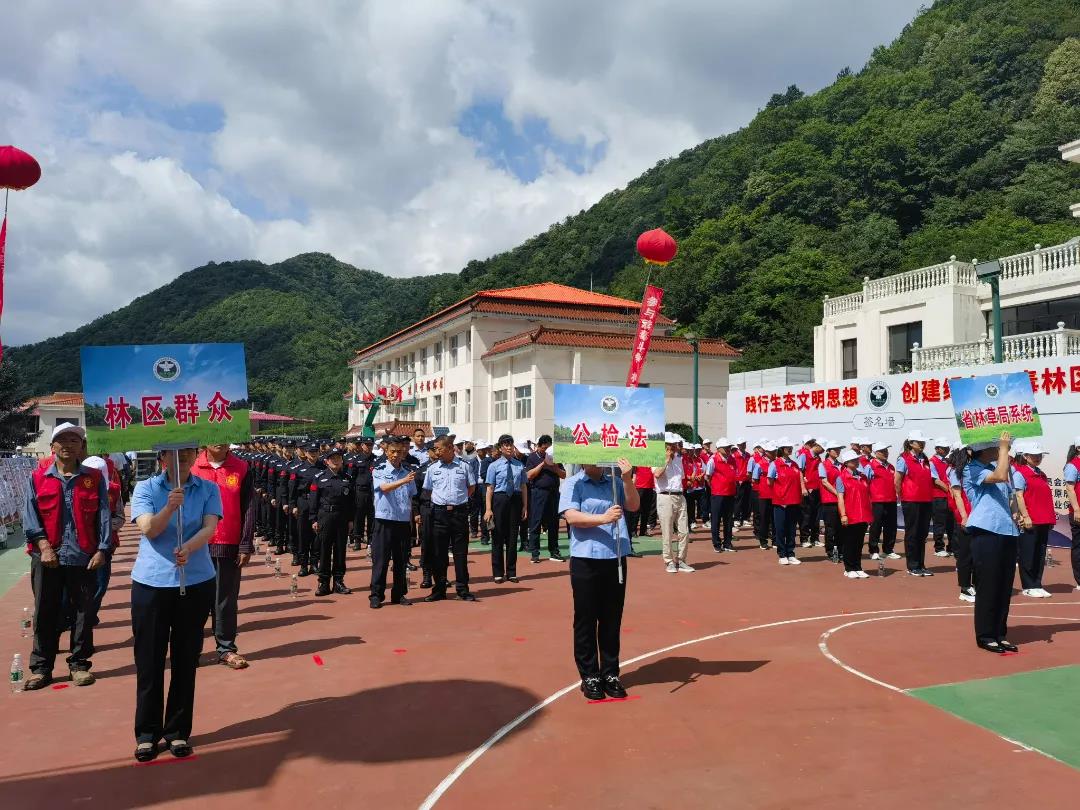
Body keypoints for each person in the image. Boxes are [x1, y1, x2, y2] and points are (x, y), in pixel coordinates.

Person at [130, 446, 221, 762]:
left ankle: (178, 730)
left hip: (195, 581)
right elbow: (149, 529)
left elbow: (210, 527)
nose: (180, 457)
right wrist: (169, 507)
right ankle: (147, 734)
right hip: (152, 583)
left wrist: (190, 547)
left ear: (195, 456)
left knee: (185, 659)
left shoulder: (208, 489)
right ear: (162, 458)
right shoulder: (145, 488)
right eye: (173, 452)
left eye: (187, 452)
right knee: (149, 660)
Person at [20, 424, 112, 690]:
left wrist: (102, 549)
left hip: (83, 555)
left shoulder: (94, 478)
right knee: (45, 611)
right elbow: (30, 515)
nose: (68, 444)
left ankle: (79, 665)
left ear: (81, 447)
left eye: (74, 440)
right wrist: (44, 546)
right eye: (62, 439)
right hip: (47, 556)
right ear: (53, 446)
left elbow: (103, 515)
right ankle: (41, 668)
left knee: (83, 612)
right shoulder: (38, 478)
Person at [559, 457, 639, 701]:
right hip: (586, 558)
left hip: (615, 556)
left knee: (611, 618)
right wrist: (603, 518)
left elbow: (633, 505)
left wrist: (627, 479)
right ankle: (589, 675)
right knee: (586, 618)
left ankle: (610, 673)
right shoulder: (574, 483)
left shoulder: (615, 482)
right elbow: (571, 517)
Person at [191, 443, 255, 669]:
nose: (219, 441)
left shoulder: (241, 467)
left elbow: (249, 507)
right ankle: (191, 650)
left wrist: (245, 544)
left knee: (226, 600)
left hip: (229, 543)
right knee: (194, 601)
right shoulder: (191, 466)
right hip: (195, 545)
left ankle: (226, 649)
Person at [962, 432, 1020, 654]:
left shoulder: (996, 465)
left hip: (1007, 530)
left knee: (1004, 585)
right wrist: (1004, 447)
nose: (999, 449)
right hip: (986, 531)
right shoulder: (972, 469)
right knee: (988, 585)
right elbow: (1000, 476)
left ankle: (999, 633)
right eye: (995, 447)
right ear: (984, 450)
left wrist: (1017, 513)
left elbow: (1010, 493)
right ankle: (986, 635)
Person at [425, 434, 477, 602]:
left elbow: (471, 487)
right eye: (434, 449)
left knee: (460, 553)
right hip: (439, 513)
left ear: (449, 448)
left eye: (438, 448)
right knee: (439, 554)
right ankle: (439, 589)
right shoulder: (432, 468)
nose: (436, 452)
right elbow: (429, 490)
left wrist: (458, 501)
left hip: (459, 513)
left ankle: (462, 589)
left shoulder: (464, 466)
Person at [369, 435, 416, 608]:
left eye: (399, 451)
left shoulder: (407, 472)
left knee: (401, 560)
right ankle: (376, 595)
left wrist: (410, 516)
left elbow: (411, 495)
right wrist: (403, 480)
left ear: (403, 452)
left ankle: (399, 593)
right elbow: (384, 488)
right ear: (387, 452)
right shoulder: (379, 469)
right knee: (381, 560)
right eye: (392, 451)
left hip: (402, 521)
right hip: (384, 520)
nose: (396, 455)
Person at [1012, 441, 1054, 598]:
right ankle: (1028, 586)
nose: (1037, 458)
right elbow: (1019, 496)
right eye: (1034, 455)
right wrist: (1025, 516)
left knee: (1040, 553)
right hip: (1031, 520)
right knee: (1028, 553)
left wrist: (1050, 519)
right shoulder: (1020, 474)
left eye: (1039, 455)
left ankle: (1037, 583)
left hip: (1044, 519)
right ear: (1025, 456)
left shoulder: (1041, 474)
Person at [311, 447, 355, 597]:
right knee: (324, 550)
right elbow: (314, 500)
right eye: (333, 458)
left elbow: (351, 502)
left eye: (338, 458)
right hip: (325, 516)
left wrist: (351, 519)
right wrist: (314, 519)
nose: (336, 461)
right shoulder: (319, 477)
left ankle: (338, 581)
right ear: (326, 461)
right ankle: (323, 582)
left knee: (340, 550)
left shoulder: (347, 478)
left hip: (342, 517)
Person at [485, 434, 528, 583]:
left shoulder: (519, 465)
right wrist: (488, 509)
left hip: (515, 500)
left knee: (512, 536)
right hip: (499, 499)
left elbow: (523, 486)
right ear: (500, 448)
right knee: (497, 536)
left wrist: (525, 506)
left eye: (511, 444)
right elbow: (490, 488)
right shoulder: (494, 466)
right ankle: (498, 572)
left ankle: (511, 572)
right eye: (506, 445)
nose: (509, 447)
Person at [895, 430, 934, 577]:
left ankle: (921, 565)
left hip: (926, 500)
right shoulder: (903, 459)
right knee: (912, 532)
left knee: (922, 533)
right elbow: (897, 480)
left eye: (923, 442)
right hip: (911, 500)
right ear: (911, 443)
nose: (922, 444)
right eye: (919, 442)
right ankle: (912, 566)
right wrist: (901, 496)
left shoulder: (925, 459)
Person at [652, 433, 692, 573]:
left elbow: (681, 478)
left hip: (680, 496)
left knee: (684, 531)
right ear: (665, 446)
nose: (676, 447)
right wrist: (666, 460)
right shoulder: (657, 457)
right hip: (665, 496)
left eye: (676, 445)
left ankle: (681, 560)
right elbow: (657, 474)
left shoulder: (679, 459)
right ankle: (669, 561)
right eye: (672, 445)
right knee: (667, 531)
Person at [525, 435, 566, 562]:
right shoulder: (532, 457)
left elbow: (563, 475)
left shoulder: (555, 457)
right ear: (538, 446)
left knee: (553, 523)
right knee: (536, 522)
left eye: (548, 448)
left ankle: (554, 551)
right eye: (544, 448)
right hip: (539, 493)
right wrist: (543, 464)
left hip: (553, 493)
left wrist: (554, 467)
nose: (546, 451)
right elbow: (529, 475)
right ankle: (534, 553)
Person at [768, 438, 806, 566]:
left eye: (791, 447)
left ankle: (791, 553)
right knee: (780, 529)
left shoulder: (794, 464)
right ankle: (782, 554)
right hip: (780, 502)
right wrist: (780, 493)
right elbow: (770, 481)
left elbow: (799, 477)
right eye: (787, 447)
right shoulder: (775, 464)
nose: (790, 449)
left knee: (791, 529)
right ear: (782, 449)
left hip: (794, 501)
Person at [835, 449, 872, 578]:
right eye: (854, 460)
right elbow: (840, 498)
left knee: (859, 542)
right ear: (846, 462)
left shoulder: (863, 477)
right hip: (850, 515)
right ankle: (849, 568)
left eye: (857, 459)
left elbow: (867, 496)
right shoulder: (841, 478)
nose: (857, 461)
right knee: (849, 542)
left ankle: (858, 567)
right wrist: (843, 515)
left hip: (863, 515)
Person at [946, 445, 976, 602]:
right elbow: (957, 495)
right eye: (969, 449)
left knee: (977, 553)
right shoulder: (955, 471)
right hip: (965, 515)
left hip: (977, 514)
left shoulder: (972, 468)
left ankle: (976, 584)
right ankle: (965, 588)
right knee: (966, 553)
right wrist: (964, 516)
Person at [867, 442, 900, 561]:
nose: (885, 453)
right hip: (877, 501)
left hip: (891, 500)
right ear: (876, 453)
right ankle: (873, 550)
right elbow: (866, 483)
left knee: (891, 526)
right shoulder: (870, 466)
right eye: (882, 451)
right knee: (876, 526)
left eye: (886, 450)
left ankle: (888, 550)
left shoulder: (891, 466)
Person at [705, 438, 737, 553]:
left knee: (728, 520)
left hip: (730, 493)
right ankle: (716, 543)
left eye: (729, 447)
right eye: (726, 448)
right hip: (718, 494)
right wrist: (715, 488)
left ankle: (727, 543)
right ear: (719, 449)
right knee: (716, 519)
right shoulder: (713, 460)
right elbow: (708, 477)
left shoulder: (732, 459)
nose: (728, 449)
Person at [817, 439, 844, 563]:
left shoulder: (841, 465)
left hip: (841, 500)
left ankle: (841, 551)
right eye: (835, 449)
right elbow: (824, 482)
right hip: (830, 500)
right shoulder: (823, 465)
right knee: (831, 528)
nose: (838, 451)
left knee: (841, 528)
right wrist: (837, 493)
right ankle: (830, 551)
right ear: (828, 451)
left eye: (839, 449)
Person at [929, 438, 955, 557]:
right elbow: (936, 480)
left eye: (947, 447)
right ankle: (939, 548)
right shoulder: (932, 462)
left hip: (949, 496)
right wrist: (949, 489)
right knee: (939, 523)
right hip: (938, 496)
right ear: (937, 449)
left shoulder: (948, 461)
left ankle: (951, 546)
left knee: (951, 522)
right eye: (944, 448)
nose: (946, 450)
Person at [797, 436, 823, 548]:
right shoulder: (804, 455)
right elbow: (799, 471)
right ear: (816, 446)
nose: (823, 451)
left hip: (817, 489)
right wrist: (803, 487)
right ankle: (804, 539)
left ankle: (815, 538)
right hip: (808, 490)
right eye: (822, 448)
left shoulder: (818, 457)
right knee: (806, 515)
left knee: (816, 515)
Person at [750, 441, 774, 550]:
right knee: (764, 517)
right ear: (767, 452)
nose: (774, 453)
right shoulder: (759, 464)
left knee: (774, 518)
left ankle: (775, 540)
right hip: (763, 494)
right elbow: (755, 479)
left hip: (775, 494)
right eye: (772, 451)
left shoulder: (776, 462)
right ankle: (763, 540)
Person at [1065, 437, 1080, 592]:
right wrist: (1077, 509)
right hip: (1078, 512)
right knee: (1079, 546)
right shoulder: (1072, 465)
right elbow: (1070, 489)